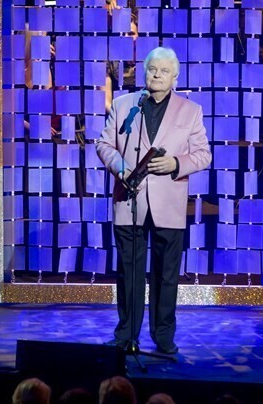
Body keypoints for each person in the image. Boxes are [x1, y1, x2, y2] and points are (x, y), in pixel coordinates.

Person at [96, 47, 212, 354]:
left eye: (164, 71)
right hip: (129, 199)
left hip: (169, 203)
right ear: (144, 72)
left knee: (166, 275)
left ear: (175, 77)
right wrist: (120, 167)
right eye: (152, 69)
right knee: (129, 273)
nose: (157, 75)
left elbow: (204, 155)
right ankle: (126, 336)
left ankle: (163, 337)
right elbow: (104, 144)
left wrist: (176, 163)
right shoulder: (124, 105)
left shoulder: (191, 110)